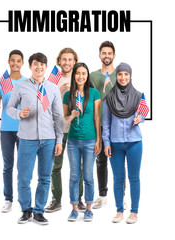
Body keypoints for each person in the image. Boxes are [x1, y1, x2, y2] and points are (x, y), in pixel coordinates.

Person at [6, 52, 64, 225]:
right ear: (30, 66)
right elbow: (9, 108)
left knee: (45, 177)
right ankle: (26, 210)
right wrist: (18, 113)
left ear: (46, 67)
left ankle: (39, 211)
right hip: (26, 139)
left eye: (42, 64)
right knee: (24, 177)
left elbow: (59, 116)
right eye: (36, 64)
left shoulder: (52, 88)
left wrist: (59, 139)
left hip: (48, 139)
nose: (39, 67)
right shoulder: (21, 87)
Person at [103, 62, 145, 224]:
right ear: (116, 76)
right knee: (118, 178)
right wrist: (106, 143)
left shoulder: (139, 96)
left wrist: (139, 118)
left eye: (126, 74)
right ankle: (119, 210)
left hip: (134, 142)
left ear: (130, 76)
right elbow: (106, 123)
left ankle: (134, 212)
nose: (123, 77)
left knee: (134, 178)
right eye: (120, 74)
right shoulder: (109, 98)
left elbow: (143, 115)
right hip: (115, 144)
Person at [45, 48, 85, 213]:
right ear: (59, 61)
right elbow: (43, 105)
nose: (67, 62)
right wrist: (58, 92)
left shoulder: (80, 77)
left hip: (76, 128)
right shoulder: (53, 80)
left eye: (70, 59)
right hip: (58, 129)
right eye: (64, 59)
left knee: (78, 166)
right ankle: (56, 199)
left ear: (75, 61)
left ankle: (79, 199)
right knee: (55, 166)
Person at [63, 62, 101, 222]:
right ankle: (73, 208)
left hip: (90, 140)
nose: (80, 76)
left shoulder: (94, 93)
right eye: (78, 73)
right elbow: (64, 120)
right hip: (72, 140)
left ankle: (88, 209)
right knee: (73, 175)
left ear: (87, 76)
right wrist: (71, 116)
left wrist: (98, 139)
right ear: (74, 76)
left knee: (88, 176)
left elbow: (97, 117)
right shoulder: (67, 95)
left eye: (83, 73)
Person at [0, 49, 27, 213]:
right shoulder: (1, 82)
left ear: (22, 63)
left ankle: (23, 199)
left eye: (18, 60)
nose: (15, 63)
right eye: (12, 60)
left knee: (23, 166)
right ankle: (8, 199)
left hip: (23, 129)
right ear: (8, 62)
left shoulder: (27, 82)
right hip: (6, 129)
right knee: (8, 165)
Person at [90, 41, 116, 209]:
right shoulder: (92, 76)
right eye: (103, 53)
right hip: (98, 122)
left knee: (119, 159)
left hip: (117, 124)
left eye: (109, 53)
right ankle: (102, 194)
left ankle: (121, 195)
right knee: (100, 160)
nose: (106, 56)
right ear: (99, 55)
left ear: (114, 55)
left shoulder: (121, 73)